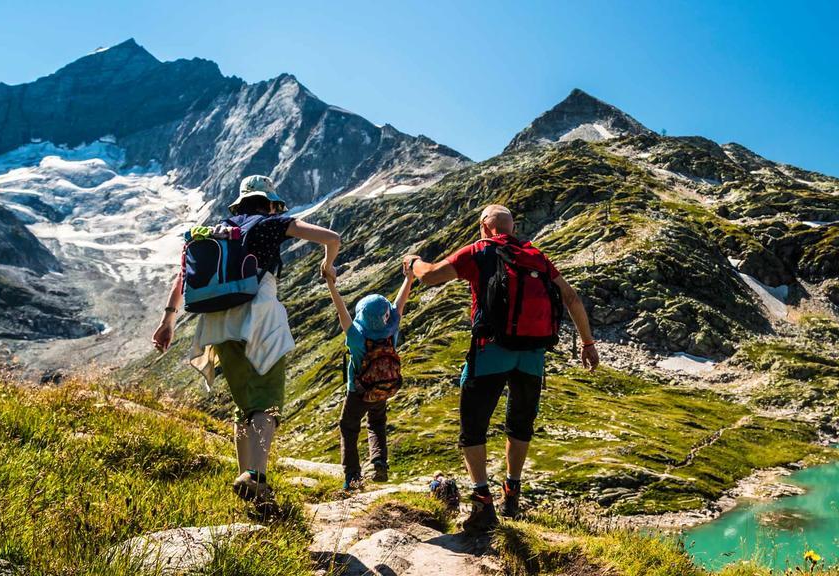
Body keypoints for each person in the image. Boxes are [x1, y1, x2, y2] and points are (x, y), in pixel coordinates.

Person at [403, 204, 599, 533]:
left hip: (491, 350)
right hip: (533, 355)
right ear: (511, 227)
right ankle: (512, 493)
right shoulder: (535, 255)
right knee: (520, 424)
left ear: (484, 227)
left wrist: (412, 262)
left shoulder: (479, 251)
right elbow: (571, 297)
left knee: (473, 427)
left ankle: (482, 502)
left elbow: (431, 276)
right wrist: (588, 343)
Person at [152, 175, 341, 506]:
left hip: (218, 326)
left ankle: (249, 485)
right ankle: (257, 477)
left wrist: (168, 321)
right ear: (269, 203)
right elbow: (330, 237)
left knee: (244, 407)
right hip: (259, 319)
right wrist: (328, 265)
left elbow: (183, 276)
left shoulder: (216, 233)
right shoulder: (271, 223)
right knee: (266, 403)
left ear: (239, 204)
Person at [324, 259, 415, 490]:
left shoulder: (356, 337)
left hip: (358, 391)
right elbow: (399, 305)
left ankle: (352, 477)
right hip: (382, 389)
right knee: (377, 423)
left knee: (348, 427)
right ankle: (379, 463)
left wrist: (331, 284)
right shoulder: (391, 331)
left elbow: (341, 310)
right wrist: (408, 278)